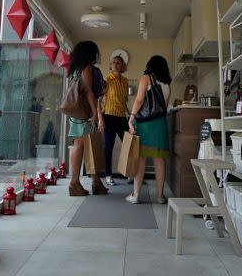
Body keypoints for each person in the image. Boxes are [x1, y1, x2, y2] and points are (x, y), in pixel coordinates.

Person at [66, 40, 109, 197]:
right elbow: (90, 92)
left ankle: (93, 182)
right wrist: (95, 113)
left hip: (77, 113)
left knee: (84, 145)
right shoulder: (87, 68)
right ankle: (74, 183)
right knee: (81, 144)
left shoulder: (76, 68)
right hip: (85, 113)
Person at [126, 55, 171, 204]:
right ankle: (160, 196)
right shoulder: (167, 84)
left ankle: (136, 195)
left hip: (145, 124)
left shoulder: (146, 78)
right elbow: (163, 106)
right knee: (159, 160)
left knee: (140, 159)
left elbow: (139, 100)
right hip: (159, 124)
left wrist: (131, 117)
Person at [102, 54, 129, 185]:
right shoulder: (107, 80)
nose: (116, 64)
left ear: (122, 66)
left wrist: (130, 116)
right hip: (109, 117)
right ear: (110, 66)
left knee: (130, 145)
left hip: (122, 118)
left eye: (119, 63)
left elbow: (124, 101)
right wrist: (100, 118)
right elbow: (98, 100)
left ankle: (130, 173)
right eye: (113, 62)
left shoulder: (125, 81)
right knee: (108, 147)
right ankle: (108, 176)